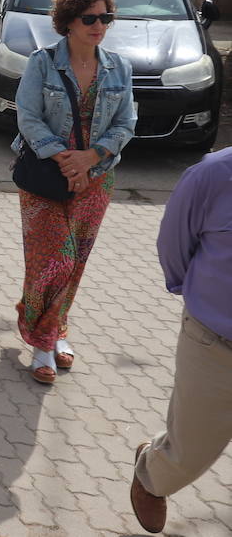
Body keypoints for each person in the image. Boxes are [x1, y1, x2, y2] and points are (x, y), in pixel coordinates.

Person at [12, 0, 134, 384]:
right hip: (46, 175)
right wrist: (66, 158)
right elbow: (28, 117)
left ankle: (55, 328)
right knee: (54, 260)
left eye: (105, 17)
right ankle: (42, 342)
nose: (99, 25)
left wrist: (91, 158)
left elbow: (126, 123)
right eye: (89, 18)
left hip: (96, 179)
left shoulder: (119, 67)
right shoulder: (43, 63)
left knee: (75, 262)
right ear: (68, 22)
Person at [130, 146, 232, 534]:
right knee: (188, 454)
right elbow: (174, 244)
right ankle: (151, 475)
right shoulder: (214, 175)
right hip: (216, 344)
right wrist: (199, 296)